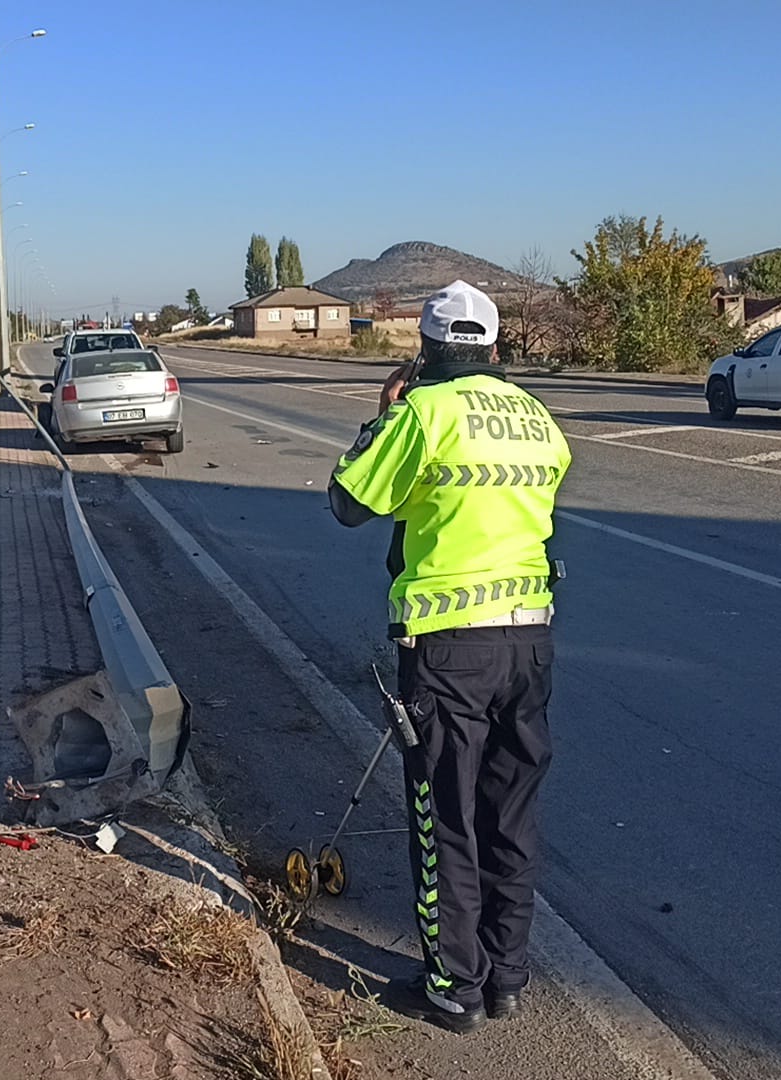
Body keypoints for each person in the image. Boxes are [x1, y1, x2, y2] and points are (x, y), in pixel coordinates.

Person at [328, 281, 571, 1033]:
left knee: (445, 816)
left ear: (427, 351)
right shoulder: (537, 418)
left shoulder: (423, 412)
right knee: (511, 812)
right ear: (496, 349)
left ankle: (454, 987)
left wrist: (385, 415)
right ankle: (507, 976)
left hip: (448, 645)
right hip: (529, 641)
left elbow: (349, 501)